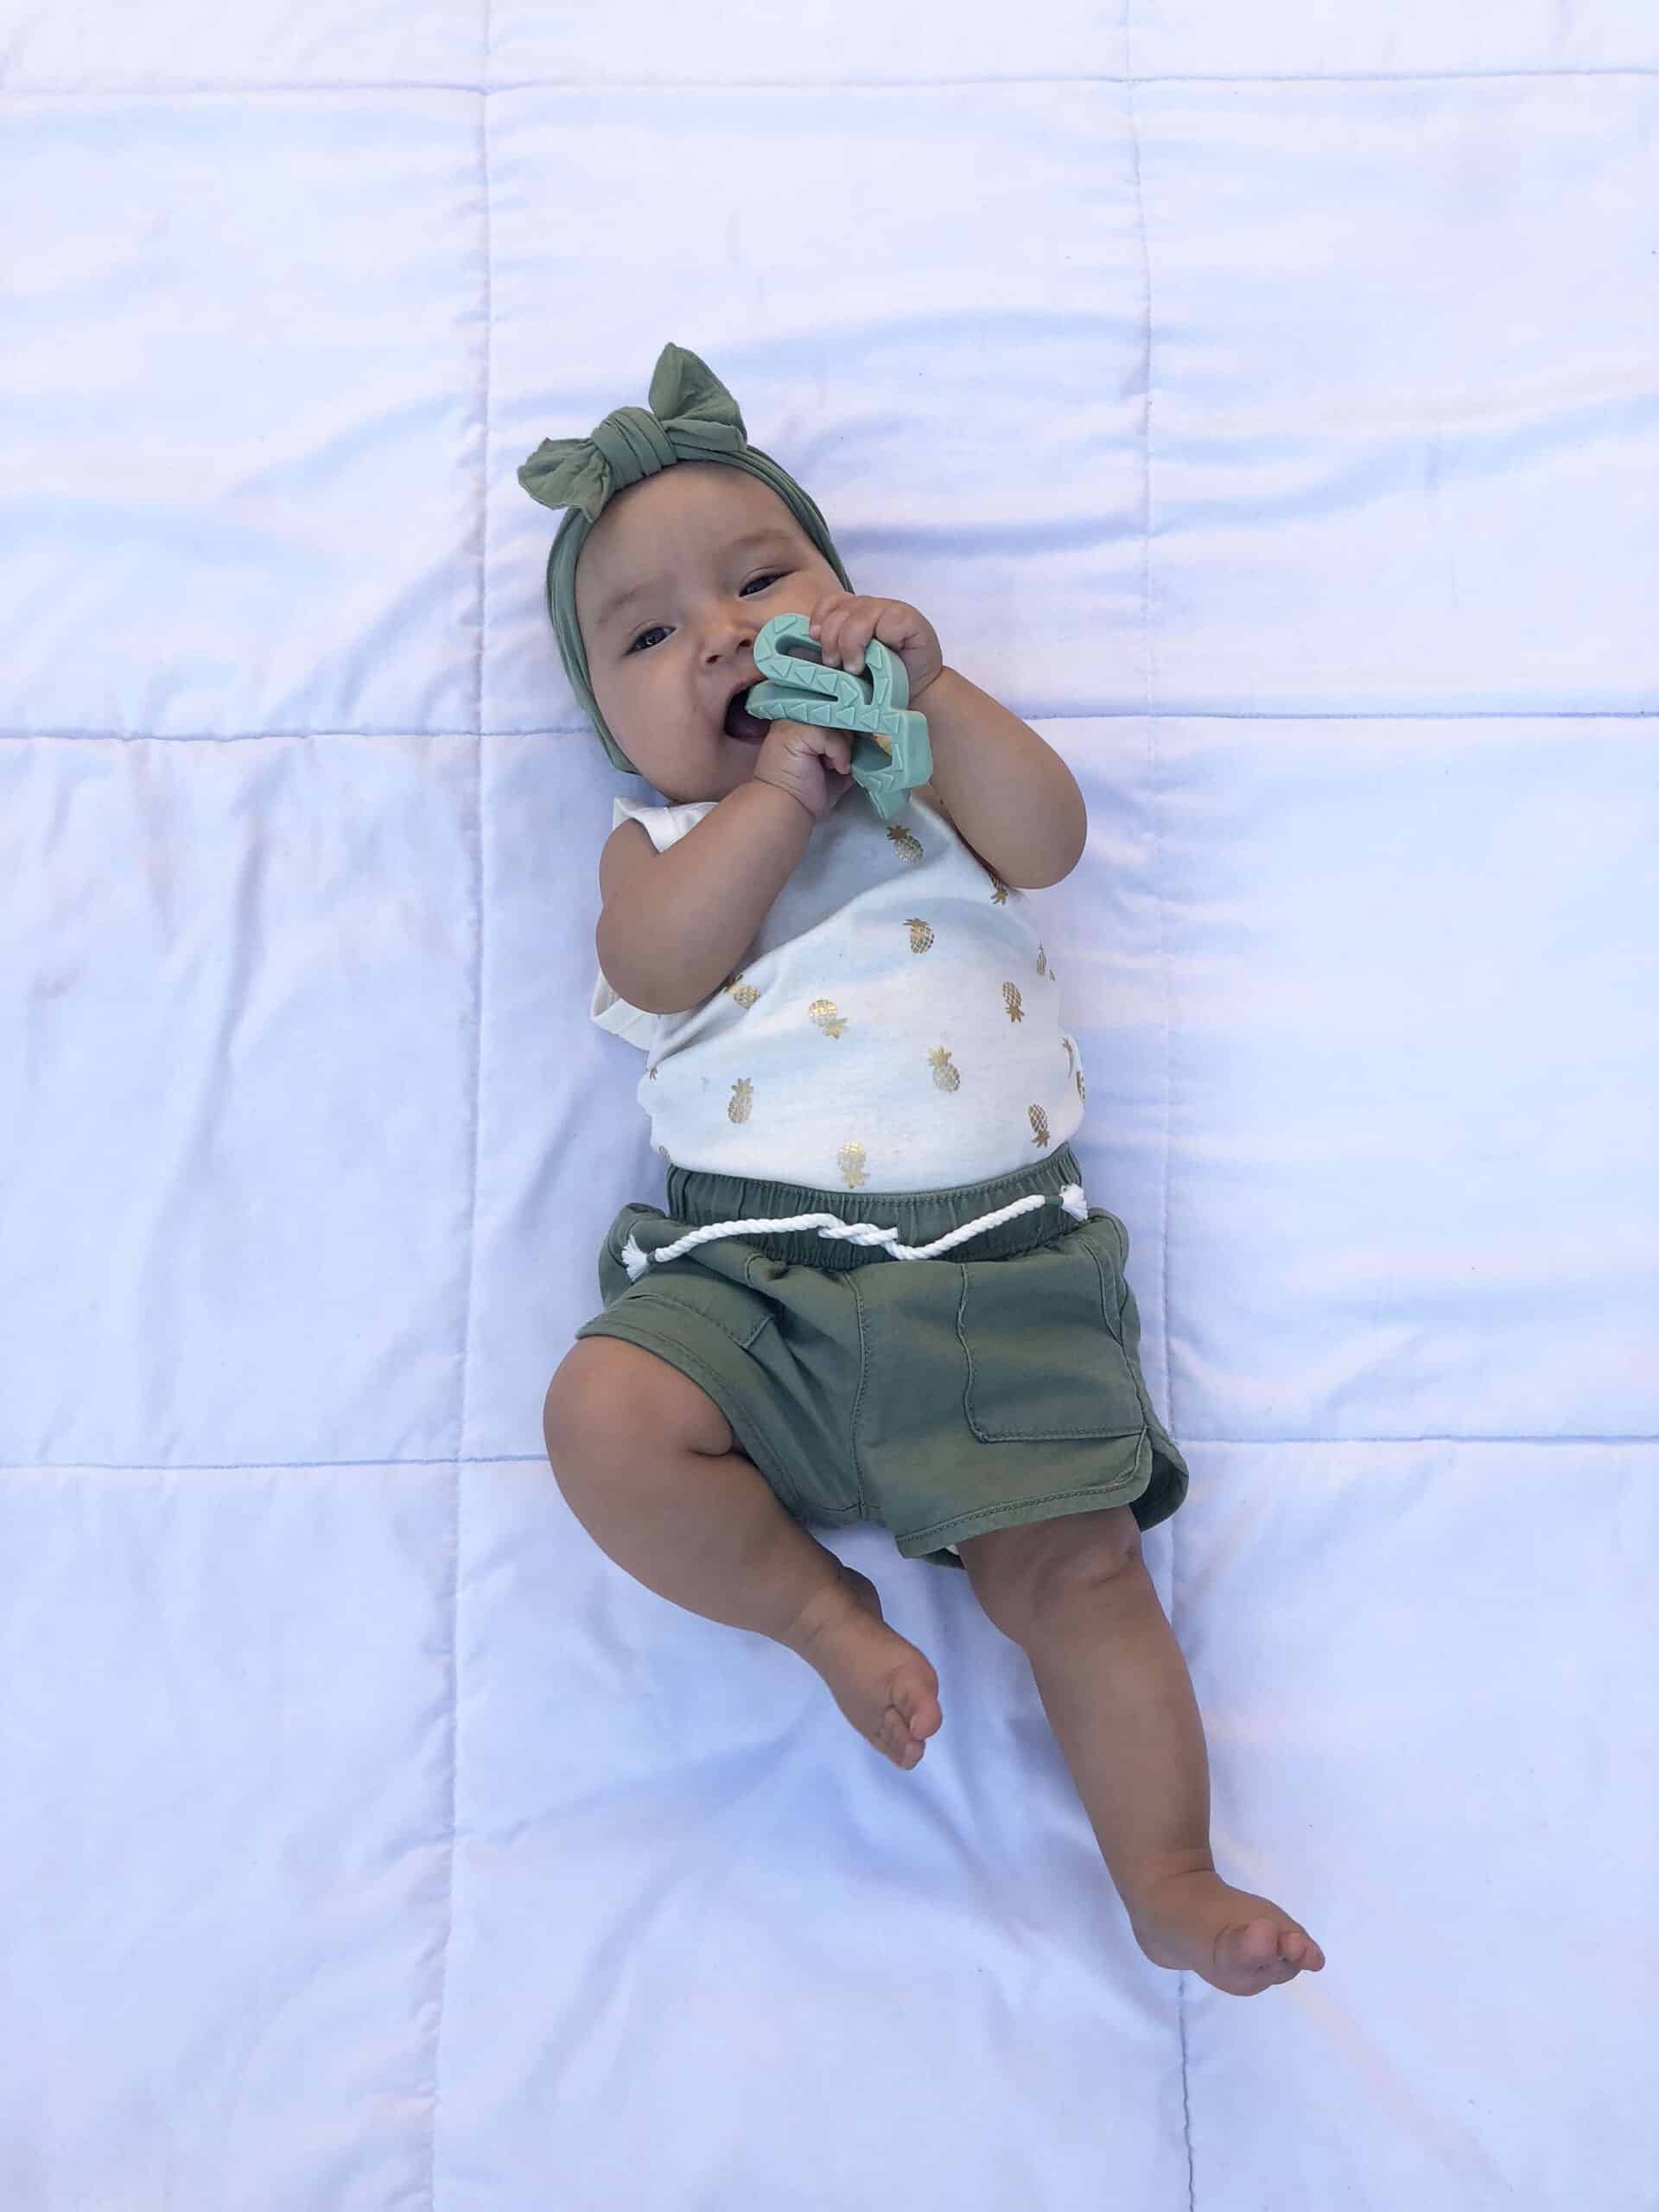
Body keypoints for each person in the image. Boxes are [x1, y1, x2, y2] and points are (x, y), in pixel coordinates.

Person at [522, 344, 1325, 1996]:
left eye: (766, 581)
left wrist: (933, 699)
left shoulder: (925, 792)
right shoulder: (658, 846)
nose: (729, 634)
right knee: (601, 1423)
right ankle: (820, 1616)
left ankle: (1167, 1873)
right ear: (606, 719)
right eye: (654, 634)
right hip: (757, 1297)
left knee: (1085, 1570)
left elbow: (1056, 835)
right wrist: (765, 799)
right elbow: (664, 968)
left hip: (1004, 1280)